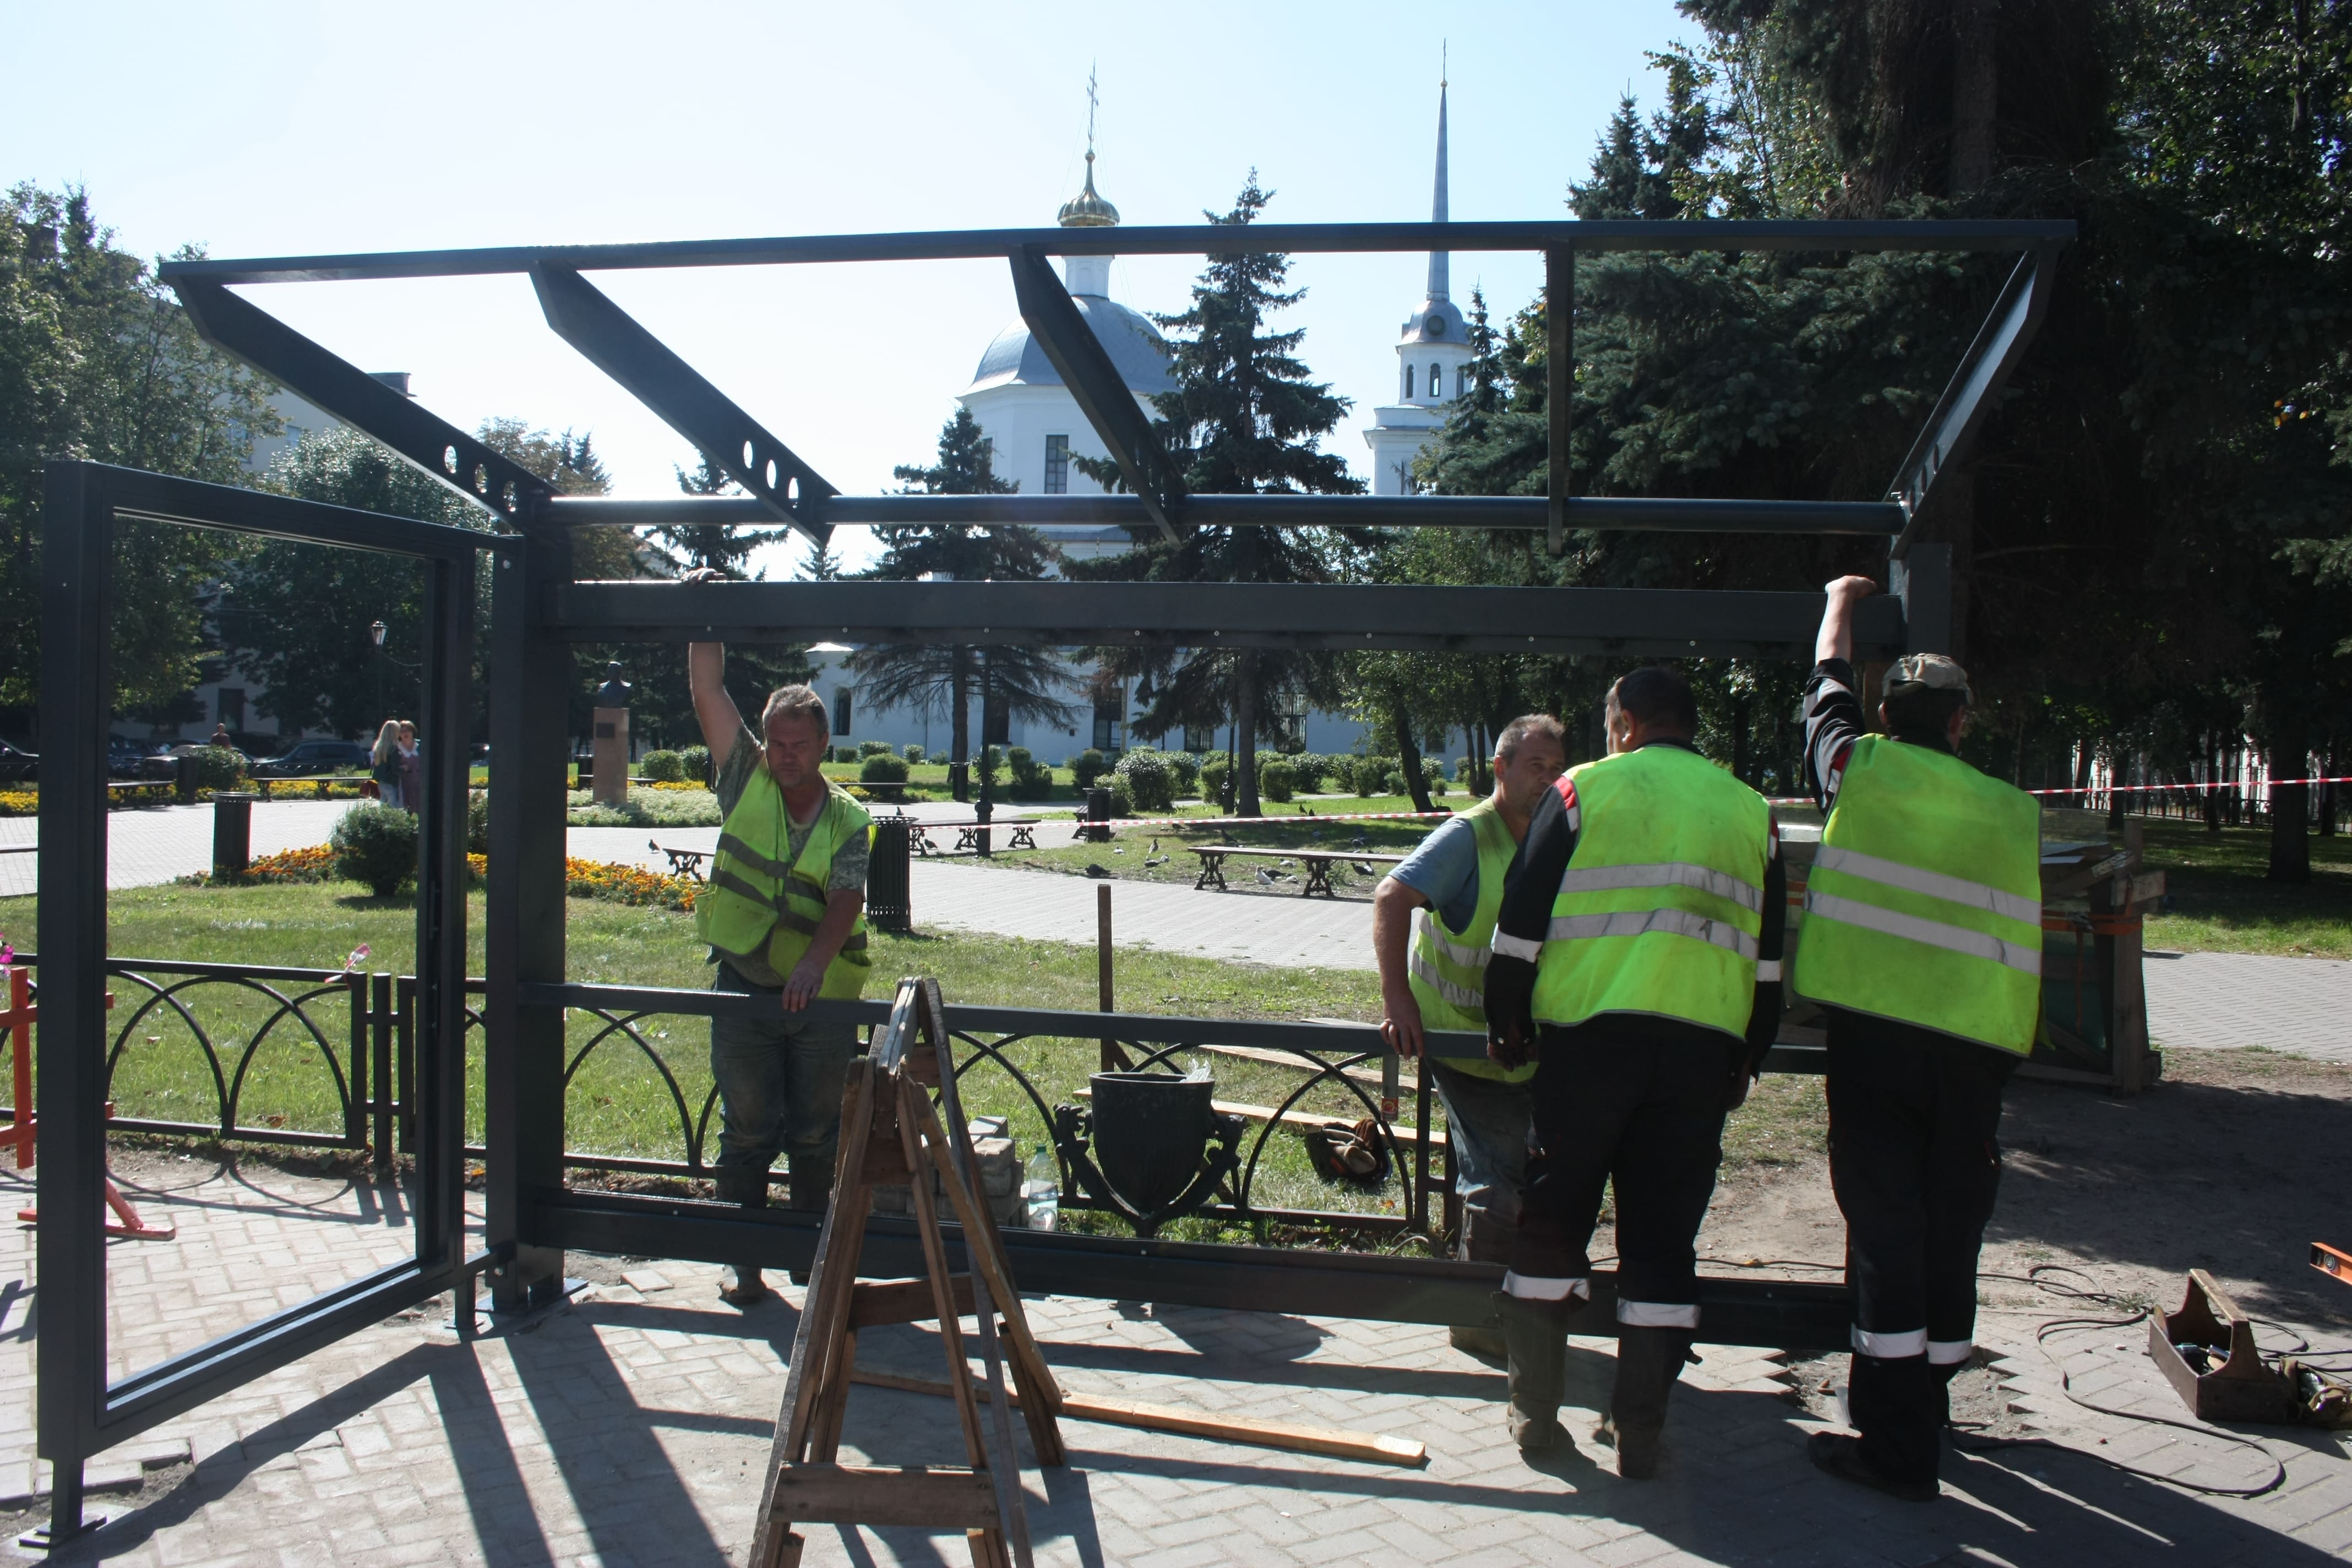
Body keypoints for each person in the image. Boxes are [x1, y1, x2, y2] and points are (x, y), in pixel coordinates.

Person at [1481, 665, 1785, 1476]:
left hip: (1587, 1047)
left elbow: (1522, 914)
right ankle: (1641, 1429)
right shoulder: (1753, 812)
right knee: (1661, 1243)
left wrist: (1505, 1017)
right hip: (1697, 1057)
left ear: (1623, 723)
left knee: (1552, 1229)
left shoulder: (1582, 791)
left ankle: (1536, 1419)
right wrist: (1748, 1052)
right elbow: (1770, 958)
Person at [1795, 577, 2043, 1502]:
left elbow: (1823, 685)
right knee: (1950, 1230)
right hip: (1975, 1053)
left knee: (1887, 1231)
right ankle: (1927, 1406)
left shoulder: (1856, 768)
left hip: (1874, 1041)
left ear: (1885, 713)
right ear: (1962, 723)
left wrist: (1839, 600)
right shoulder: (2010, 810)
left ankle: (1897, 1450)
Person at [687, 581, 874, 1306]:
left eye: (801, 745)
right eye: (779, 743)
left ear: (825, 745)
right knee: (747, 1131)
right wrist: (704, 616)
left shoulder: (850, 819)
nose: (788, 756)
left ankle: (811, 1263)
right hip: (743, 985)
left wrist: (814, 963)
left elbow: (847, 897)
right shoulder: (747, 779)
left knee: (818, 1136)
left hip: (819, 999)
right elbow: (708, 691)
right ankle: (746, 1265)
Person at [1374, 714, 1567, 1362]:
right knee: (1498, 1184)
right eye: (1535, 765)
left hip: (1530, 1050)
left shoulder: (1561, 832)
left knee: (1536, 1178)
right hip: (1464, 1045)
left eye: (1555, 767)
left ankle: (1520, 1301)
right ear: (1501, 768)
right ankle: (1478, 1320)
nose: (1547, 778)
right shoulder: (1470, 836)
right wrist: (1398, 1000)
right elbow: (1391, 897)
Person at [369, 720, 403, 809]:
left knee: (383, 806)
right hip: (392, 782)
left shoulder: (379, 747)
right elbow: (395, 769)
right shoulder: (393, 749)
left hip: (381, 782)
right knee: (394, 808)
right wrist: (406, 769)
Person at [395, 721, 423, 815]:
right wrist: (401, 768)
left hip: (421, 781)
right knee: (407, 808)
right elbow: (392, 766)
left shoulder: (421, 745)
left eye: (408, 730)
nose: (405, 733)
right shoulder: (396, 748)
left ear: (413, 731)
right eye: (402, 731)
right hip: (404, 782)